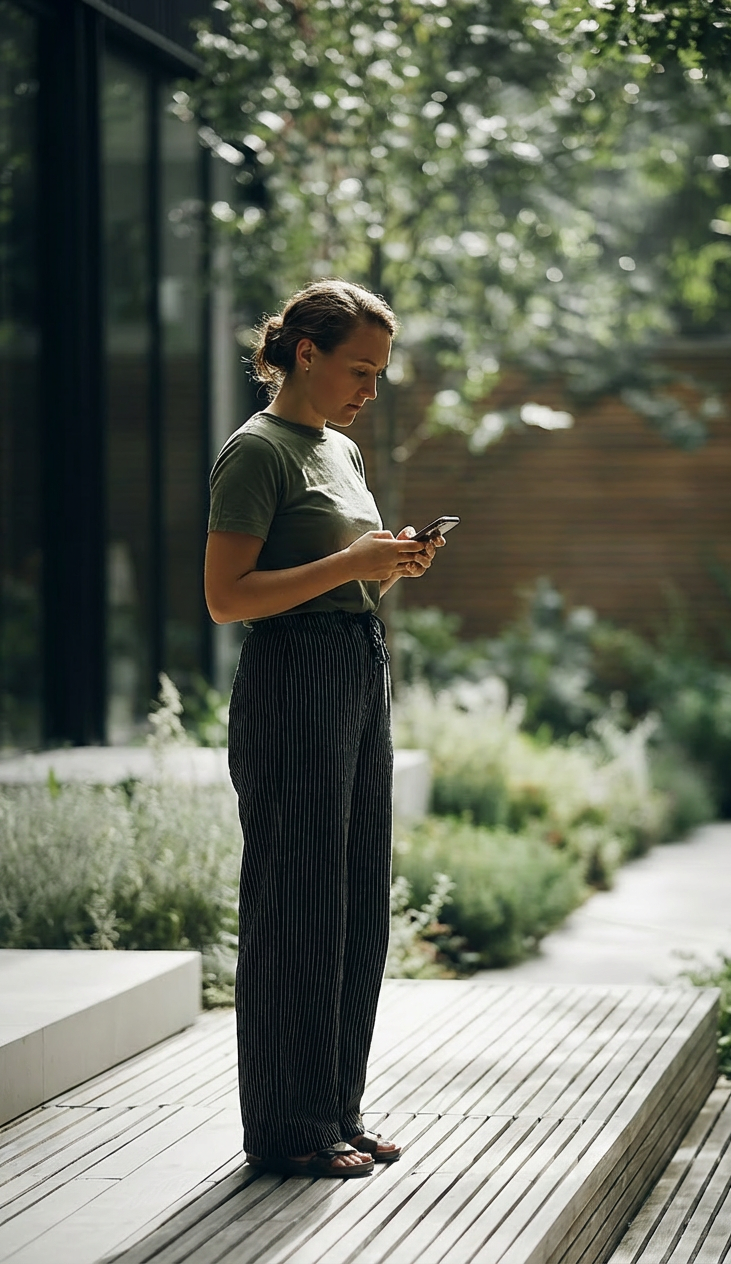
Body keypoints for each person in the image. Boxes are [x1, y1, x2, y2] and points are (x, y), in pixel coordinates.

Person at [204, 279, 442, 1179]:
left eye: (379, 373)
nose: (370, 392)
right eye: (360, 369)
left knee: (352, 905)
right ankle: (285, 1127)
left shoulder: (341, 452)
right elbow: (226, 598)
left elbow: (341, 574)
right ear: (305, 353)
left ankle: (335, 1107)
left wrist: (390, 564)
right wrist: (352, 561)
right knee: (295, 905)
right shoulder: (257, 452)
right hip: (293, 673)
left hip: (354, 664)